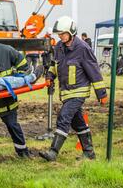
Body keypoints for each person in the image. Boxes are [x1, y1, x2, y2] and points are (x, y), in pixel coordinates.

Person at [39, 16, 107, 162]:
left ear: (71, 32)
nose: (60, 36)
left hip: (79, 91)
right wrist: (50, 76)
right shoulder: (58, 47)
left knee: (63, 116)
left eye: (63, 34)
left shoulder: (83, 48)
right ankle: (89, 154)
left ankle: (53, 152)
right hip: (66, 93)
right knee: (78, 123)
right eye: (59, 34)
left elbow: (94, 71)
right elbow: (53, 64)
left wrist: (101, 93)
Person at [0, 25, 44, 158]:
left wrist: (16, 78)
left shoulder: (6, 50)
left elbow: (23, 65)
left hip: (6, 98)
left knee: (12, 124)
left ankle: (22, 151)